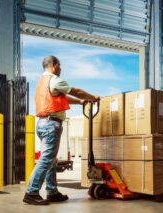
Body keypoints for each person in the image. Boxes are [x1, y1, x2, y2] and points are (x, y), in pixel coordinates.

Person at [23, 55, 99, 205]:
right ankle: (31, 193)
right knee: (46, 159)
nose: (61, 69)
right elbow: (75, 91)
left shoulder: (42, 83)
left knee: (51, 160)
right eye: (60, 66)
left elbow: (63, 97)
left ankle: (52, 192)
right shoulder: (54, 79)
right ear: (54, 65)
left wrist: (79, 102)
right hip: (51, 124)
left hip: (43, 123)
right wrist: (93, 97)